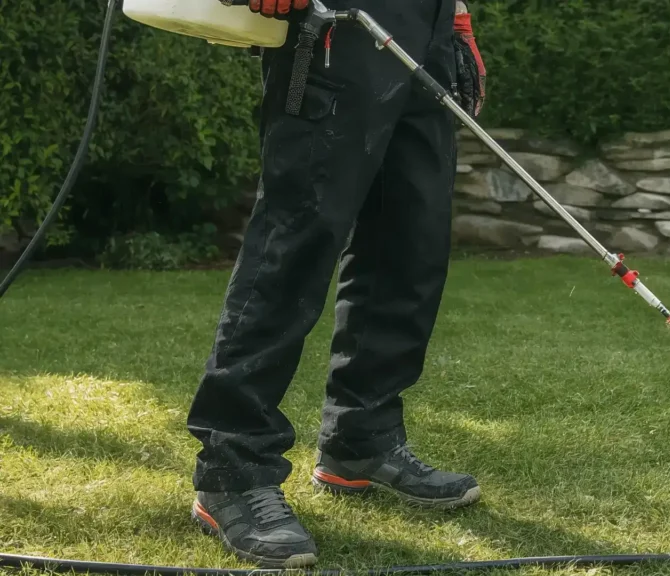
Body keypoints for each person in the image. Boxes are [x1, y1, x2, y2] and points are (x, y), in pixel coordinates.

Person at [183, 0, 487, 567]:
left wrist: (457, 15)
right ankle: (233, 470)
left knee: (410, 239)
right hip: (337, 23)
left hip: (428, 24)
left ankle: (362, 437)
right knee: (296, 239)